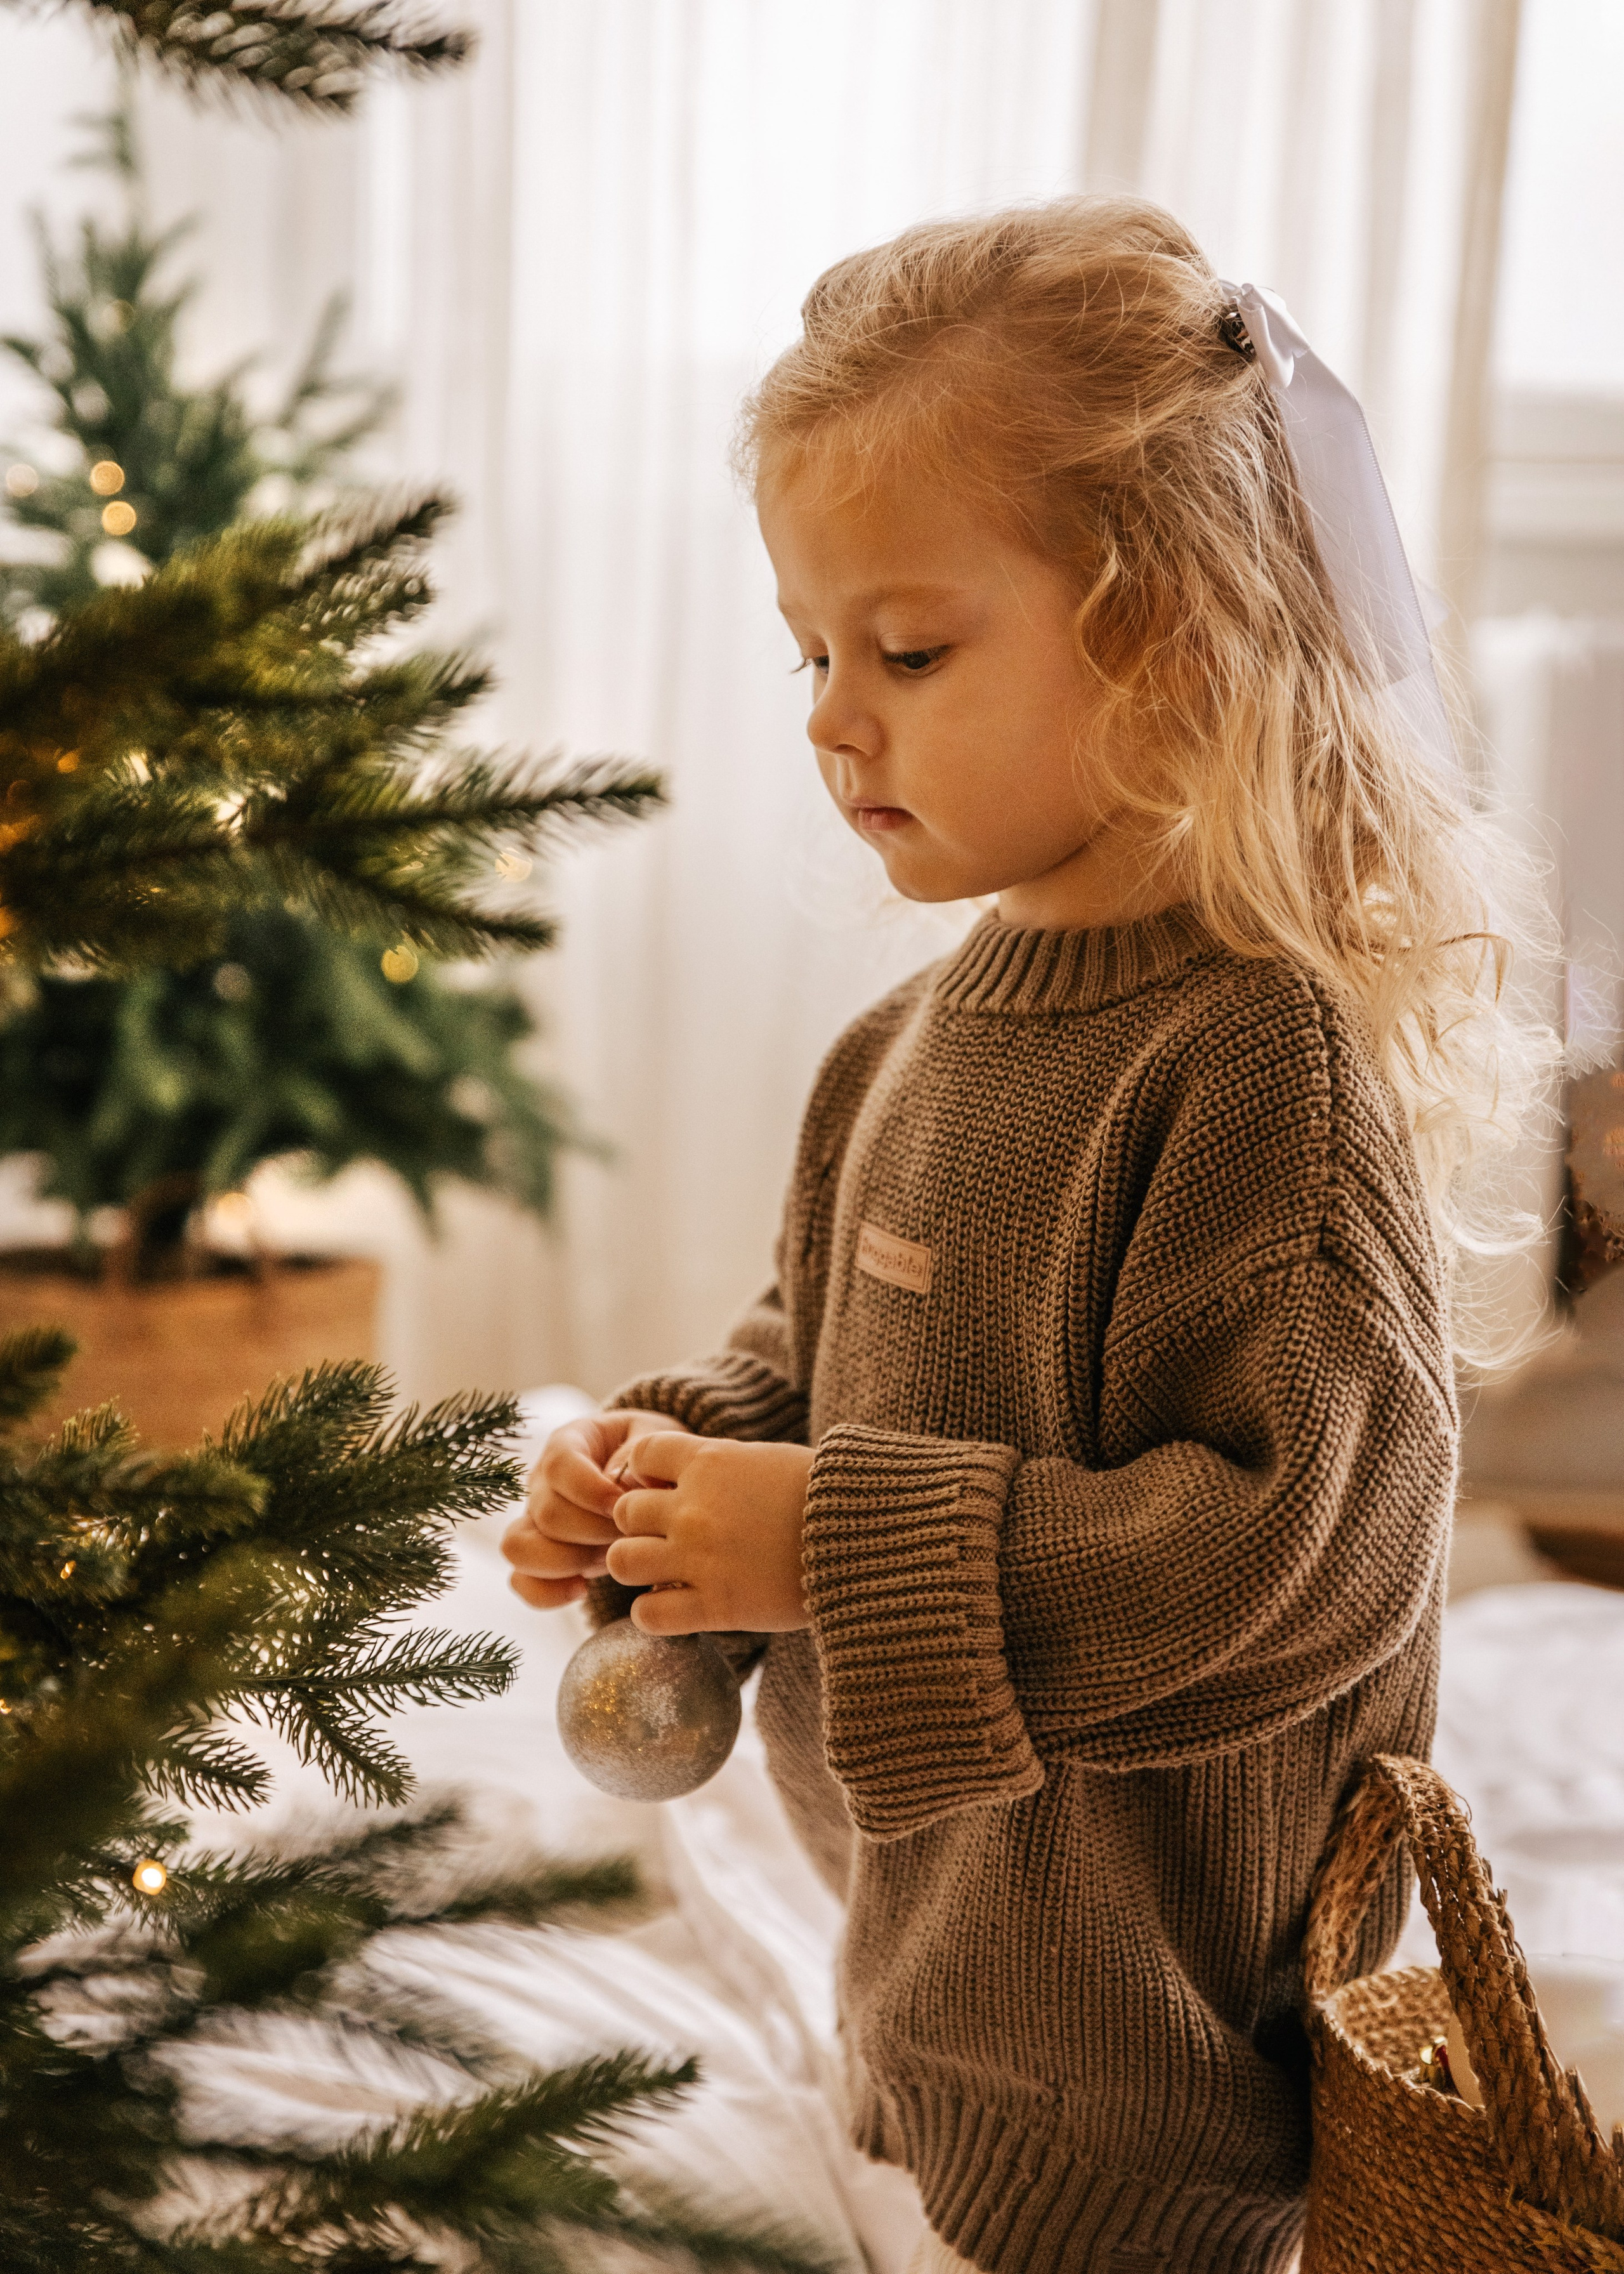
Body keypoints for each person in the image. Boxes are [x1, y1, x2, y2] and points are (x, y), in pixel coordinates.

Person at [502, 197, 1549, 2273]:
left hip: (1154, 2064)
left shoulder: (1264, 1071)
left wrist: (823, 1541)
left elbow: (1295, 1555)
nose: (830, 716)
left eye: (907, 650)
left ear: (1176, 643)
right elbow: (811, 1357)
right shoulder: (903, 1045)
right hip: (934, 1959)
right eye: (811, 652)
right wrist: (676, 1485)